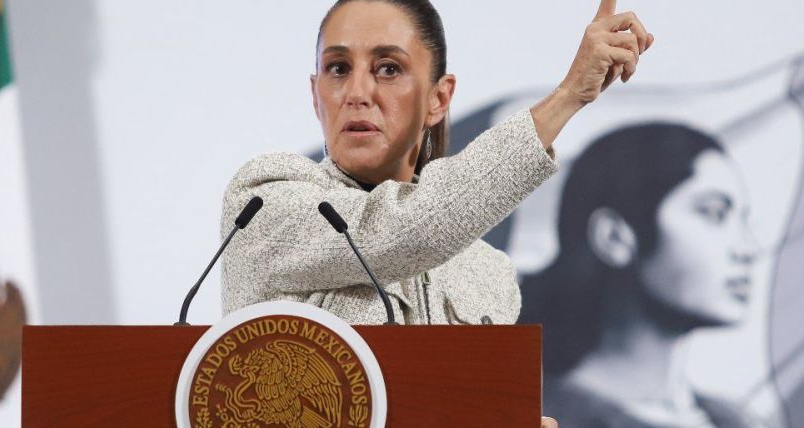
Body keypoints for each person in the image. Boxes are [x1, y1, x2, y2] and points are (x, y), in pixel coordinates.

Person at [221, 1, 649, 425]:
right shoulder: (261, 202)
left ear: (438, 98)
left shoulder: (490, 275)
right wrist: (568, 96)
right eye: (338, 68)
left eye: (388, 68)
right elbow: (406, 231)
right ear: (316, 96)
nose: (357, 93)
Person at [519, 124, 763, 427]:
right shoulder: (528, 416)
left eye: (743, 220)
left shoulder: (742, 420)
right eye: (713, 213)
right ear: (614, 238)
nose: (748, 249)